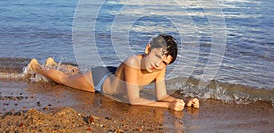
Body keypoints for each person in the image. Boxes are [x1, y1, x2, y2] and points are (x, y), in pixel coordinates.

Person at [28, 34, 199, 111]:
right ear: (148, 49)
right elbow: (133, 100)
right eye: (157, 57)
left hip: (114, 74)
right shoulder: (133, 62)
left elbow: (161, 95)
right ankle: (37, 67)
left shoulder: (159, 69)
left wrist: (182, 101)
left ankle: (55, 64)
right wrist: (169, 106)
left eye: (164, 62)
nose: (158, 64)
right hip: (99, 81)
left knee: (75, 74)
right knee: (65, 80)